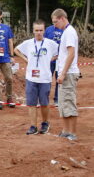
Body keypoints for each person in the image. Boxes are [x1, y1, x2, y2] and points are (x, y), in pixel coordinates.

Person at [14, 19, 58, 135]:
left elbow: (60, 52)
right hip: (31, 78)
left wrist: (50, 59)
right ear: (33, 31)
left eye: (41, 30)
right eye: (36, 30)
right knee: (31, 103)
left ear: (44, 31)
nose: (39, 32)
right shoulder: (28, 43)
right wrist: (25, 59)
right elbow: (16, 50)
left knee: (44, 103)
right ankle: (33, 126)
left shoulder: (50, 43)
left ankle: (45, 123)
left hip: (45, 78)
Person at [51, 8, 80, 141]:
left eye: (56, 22)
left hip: (68, 74)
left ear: (62, 18)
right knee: (63, 103)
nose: (54, 25)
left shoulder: (69, 32)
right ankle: (66, 130)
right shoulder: (66, 32)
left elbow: (71, 54)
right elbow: (64, 54)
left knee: (69, 102)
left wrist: (62, 74)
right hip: (64, 73)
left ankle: (72, 132)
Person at [44, 24, 63, 106]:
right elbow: (44, 42)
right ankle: (44, 98)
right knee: (47, 79)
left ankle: (57, 99)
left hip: (60, 60)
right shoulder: (48, 29)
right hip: (49, 59)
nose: (55, 22)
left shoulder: (64, 30)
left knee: (59, 79)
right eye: (53, 20)